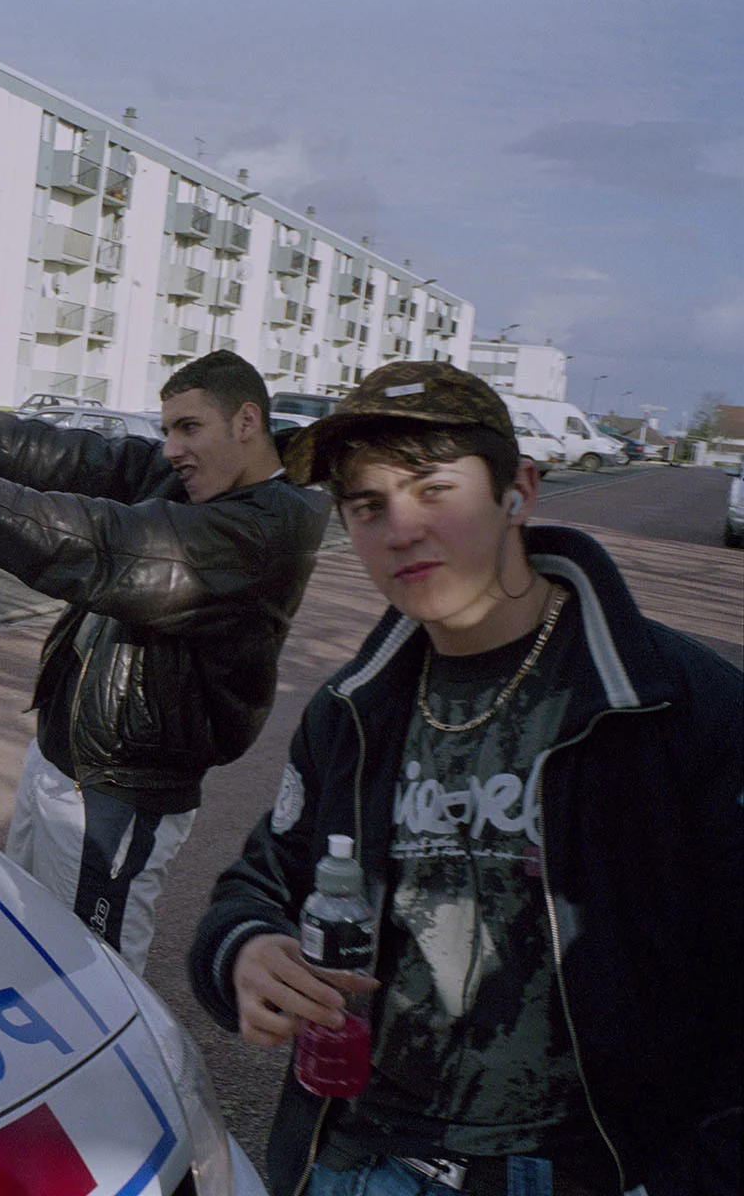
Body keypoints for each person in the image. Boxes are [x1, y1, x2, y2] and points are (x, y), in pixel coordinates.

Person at [187, 360, 742, 1196]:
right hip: (356, 1162)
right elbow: (260, 883)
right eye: (367, 506)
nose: (400, 530)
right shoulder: (351, 712)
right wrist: (246, 952)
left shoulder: (675, 705)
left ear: (518, 488)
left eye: (433, 489)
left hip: (581, 1172)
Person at [0, 350, 329, 974]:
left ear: (247, 421)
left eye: (189, 427)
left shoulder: (266, 527)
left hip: (118, 790)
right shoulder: (193, 480)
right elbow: (65, 454)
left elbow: (116, 548)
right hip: (67, 756)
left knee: (93, 977)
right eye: (166, 430)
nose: (170, 449)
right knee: (30, 948)